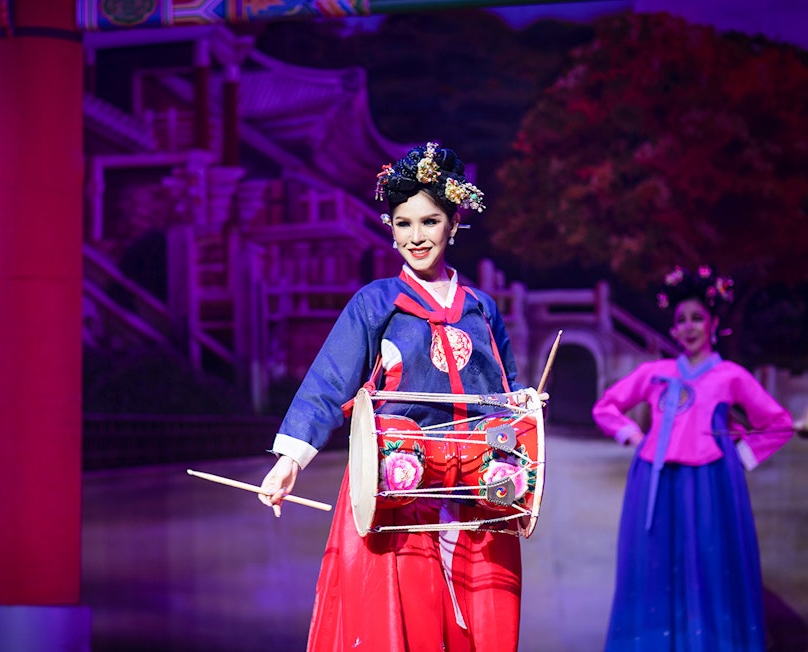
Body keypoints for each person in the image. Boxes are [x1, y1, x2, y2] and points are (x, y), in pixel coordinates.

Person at [259, 142, 529, 651]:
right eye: (403, 223)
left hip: (473, 490)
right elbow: (328, 382)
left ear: (453, 224)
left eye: (430, 222)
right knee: (406, 624)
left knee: (480, 624)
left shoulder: (481, 309)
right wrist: (289, 460)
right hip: (398, 487)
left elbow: (504, 392)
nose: (415, 236)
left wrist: (524, 408)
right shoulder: (376, 303)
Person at [592, 266, 795, 651]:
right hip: (655, 480)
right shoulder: (656, 373)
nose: (689, 327)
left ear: (713, 324)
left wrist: (740, 455)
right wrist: (634, 436)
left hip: (710, 483)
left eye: (697, 318)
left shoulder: (730, 376)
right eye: (681, 319)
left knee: (708, 567)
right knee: (653, 567)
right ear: (673, 329)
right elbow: (606, 407)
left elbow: (779, 423)